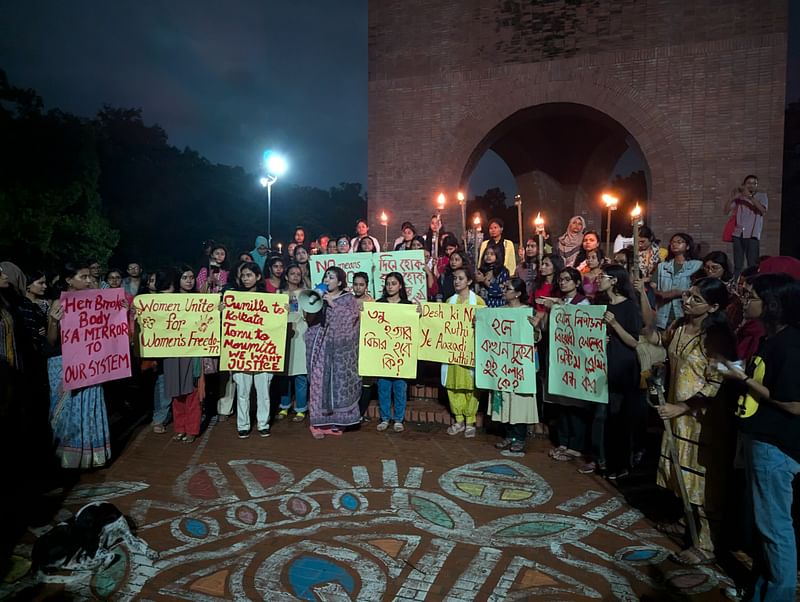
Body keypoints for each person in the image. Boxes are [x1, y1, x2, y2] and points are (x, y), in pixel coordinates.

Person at [720, 274, 800, 600]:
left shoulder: (791, 344)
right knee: (764, 526)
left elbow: (794, 404)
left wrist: (743, 378)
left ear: (772, 304)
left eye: (751, 296)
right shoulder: (771, 338)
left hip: (776, 445)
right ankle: (760, 590)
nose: (745, 301)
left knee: (775, 528)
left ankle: (778, 595)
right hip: (761, 439)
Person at [647, 277, 736, 565]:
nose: (687, 302)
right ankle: (687, 524)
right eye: (687, 295)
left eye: (696, 299)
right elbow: (660, 343)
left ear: (713, 307)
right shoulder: (680, 326)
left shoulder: (717, 338)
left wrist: (682, 407)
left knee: (700, 481)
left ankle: (707, 544)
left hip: (701, 420)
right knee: (680, 474)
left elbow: (715, 383)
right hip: (677, 413)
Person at [46, 263, 111, 468]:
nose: (88, 280)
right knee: (66, 409)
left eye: (89, 277)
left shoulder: (95, 301)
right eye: (83, 277)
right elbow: (51, 341)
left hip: (90, 363)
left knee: (90, 406)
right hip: (65, 363)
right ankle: (65, 456)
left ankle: (91, 455)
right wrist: (54, 322)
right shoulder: (59, 303)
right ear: (69, 280)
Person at [592, 264, 642, 479]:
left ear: (614, 281)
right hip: (602, 367)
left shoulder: (630, 307)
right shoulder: (599, 303)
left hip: (623, 366)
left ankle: (622, 464)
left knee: (620, 418)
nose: (598, 279)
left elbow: (634, 341)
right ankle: (603, 460)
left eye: (602, 276)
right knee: (602, 417)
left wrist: (615, 326)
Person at [539, 267, 591, 463]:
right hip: (559, 357)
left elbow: (582, 328)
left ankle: (576, 446)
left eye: (568, 279)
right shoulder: (555, 302)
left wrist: (559, 308)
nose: (563, 283)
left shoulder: (583, 303)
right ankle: (563, 441)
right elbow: (545, 327)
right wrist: (547, 311)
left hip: (575, 359)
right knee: (561, 403)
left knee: (575, 405)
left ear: (577, 283)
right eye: (561, 279)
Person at [305, 267, 362, 438]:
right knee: (318, 382)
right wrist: (314, 302)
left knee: (338, 384)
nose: (327, 280)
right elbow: (309, 320)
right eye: (326, 277)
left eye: (331, 277)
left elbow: (350, 320)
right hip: (320, 346)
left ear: (339, 282)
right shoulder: (318, 295)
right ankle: (317, 423)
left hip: (340, 351)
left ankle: (337, 421)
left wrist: (332, 304)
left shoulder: (348, 299)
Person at [226, 262, 274, 438]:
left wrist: (282, 311)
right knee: (242, 392)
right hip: (241, 352)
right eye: (243, 275)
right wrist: (223, 311)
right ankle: (243, 424)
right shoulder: (234, 298)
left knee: (263, 393)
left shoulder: (269, 298)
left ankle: (263, 423)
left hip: (263, 351)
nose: (246, 279)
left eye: (249, 275)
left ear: (258, 277)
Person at [492, 278, 537, 454]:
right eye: (504, 288)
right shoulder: (499, 311)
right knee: (506, 399)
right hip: (504, 362)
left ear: (518, 293)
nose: (504, 291)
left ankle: (520, 437)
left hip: (521, 364)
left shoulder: (527, 311)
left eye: (508, 288)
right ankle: (509, 435)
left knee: (520, 401)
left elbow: (535, 338)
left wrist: (536, 328)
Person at [442, 266, 486, 438]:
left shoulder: (479, 302)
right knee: (453, 385)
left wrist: (479, 322)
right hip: (453, 351)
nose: (456, 281)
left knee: (471, 386)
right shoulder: (449, 302)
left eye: (460, 278)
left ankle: (470, 421)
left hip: (470, 350)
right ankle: (458, 419)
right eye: (454, 278)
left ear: (469, 281)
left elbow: (488, 324)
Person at [162, 268, 204, 444]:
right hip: (172, 353)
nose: (189, 281)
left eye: (192, 277)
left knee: (192, 393)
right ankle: (180, 428)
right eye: (185, 277)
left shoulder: (201, 300)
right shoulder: (166, 300)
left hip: (192, 353)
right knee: (176, 393)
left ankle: (192, 429)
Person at [375, 272, 413, 433]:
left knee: (400, 388)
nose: (390, 286)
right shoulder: (379, 304)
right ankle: (385, 418)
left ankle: (398, 419)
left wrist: (418, 312)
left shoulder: (407, 305)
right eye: (388, 283)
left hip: (401, 355)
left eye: (394, 283)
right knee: (383, 388)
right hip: (383, 352)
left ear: (400, 286)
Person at [277, 264, 308, 422]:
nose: (296, 276)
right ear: (286, 276)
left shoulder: (305, 294)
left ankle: (301, 408)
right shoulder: (278, 293)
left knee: (300, 374)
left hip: (300, 335)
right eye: (292, 273)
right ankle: (284, 405)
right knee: (284, 374)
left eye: (298, 274)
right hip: (282, 335)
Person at [654, 233, 702, 329]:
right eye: (673, 242)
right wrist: (661, 293)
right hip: (662, 314)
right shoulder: (662, 266)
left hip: (683, 312)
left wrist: (679, 293)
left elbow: (699, 287)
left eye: (679, 242)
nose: (675, 244)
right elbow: (653, 285)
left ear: (688, 246)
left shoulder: (696, 265)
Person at [725, 175, 768, 276]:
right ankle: (736, 285)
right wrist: (732, 198)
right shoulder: (739, 197)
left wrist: (750, 197)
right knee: (738, 264)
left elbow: (763, 210)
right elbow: (726, 211)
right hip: (738, 233)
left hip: (752, 234)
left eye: (754, 183)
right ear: (744, 185)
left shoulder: (761, 196)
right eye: (749, 183)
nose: (751, 185)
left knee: (752, 263)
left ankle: (751, 285)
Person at [474, 242, 509, 308]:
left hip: (497, 305)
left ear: (497, 256)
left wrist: (484, 280)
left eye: (492, 254)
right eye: (486, 254)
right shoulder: (480, 271)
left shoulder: (502, 271)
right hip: (481, 305)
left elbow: (502, 291)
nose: (488, 256)